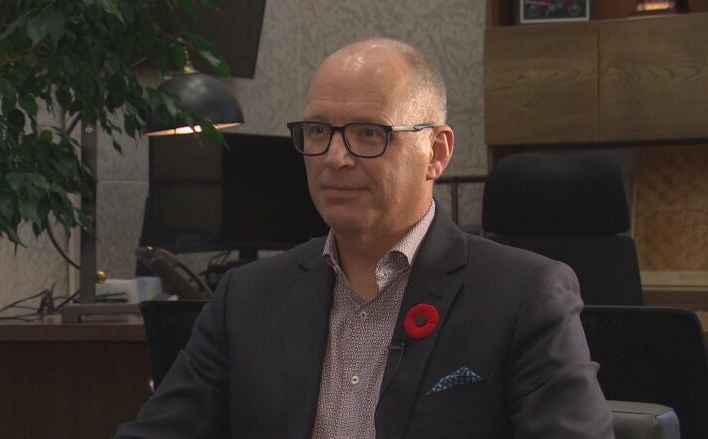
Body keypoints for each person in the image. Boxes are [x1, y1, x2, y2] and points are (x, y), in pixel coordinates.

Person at [115, 38, 613, 439]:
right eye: (317, 132)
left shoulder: (522, 294)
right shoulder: (246, 298)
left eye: (368, 134)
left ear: (436, 152)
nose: (335, 158)